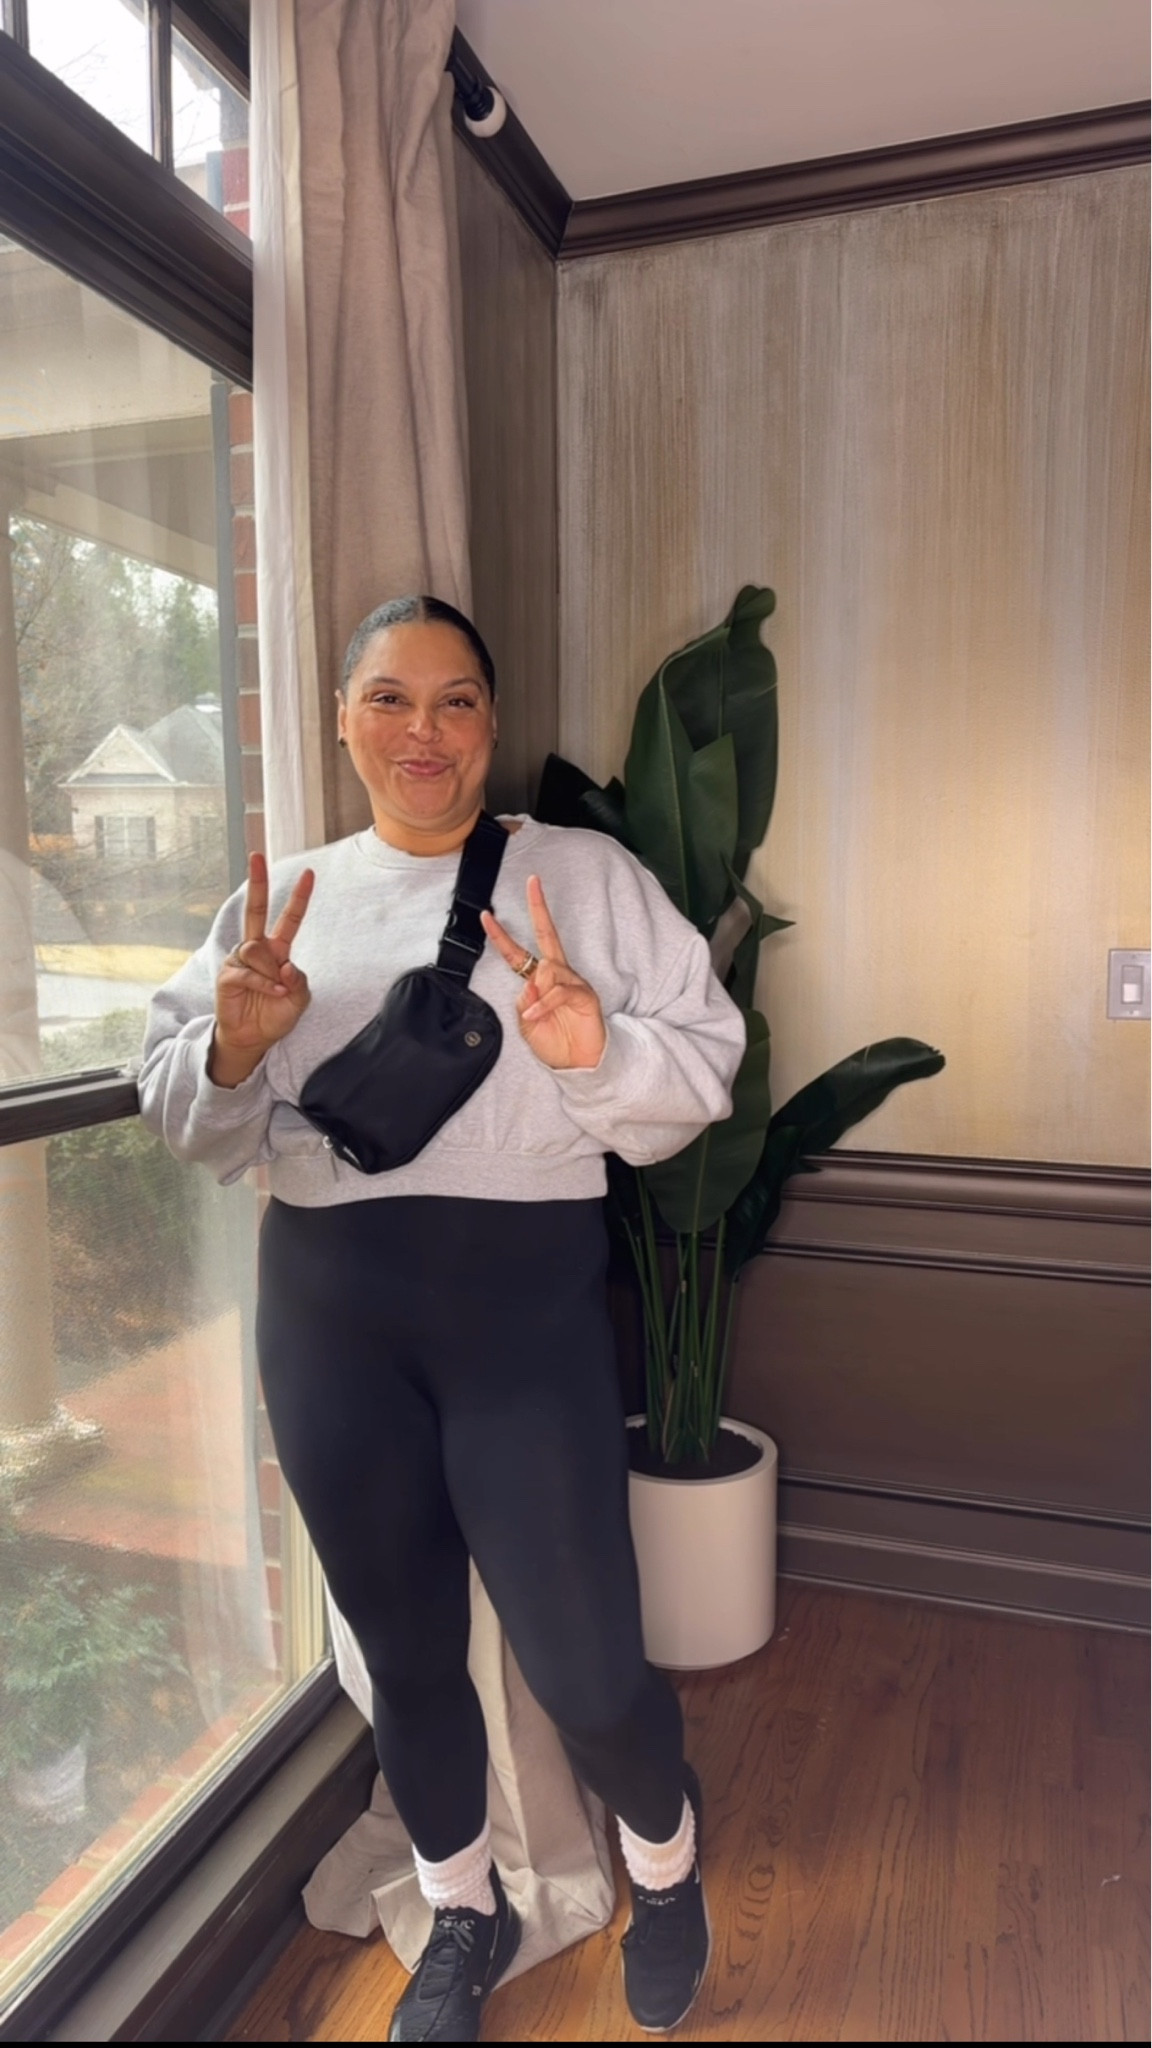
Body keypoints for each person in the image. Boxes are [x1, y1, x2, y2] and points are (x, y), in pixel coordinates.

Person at [138, 594, 745, 2042]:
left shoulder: (581, 878)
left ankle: (663, 1866)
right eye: (392, 700)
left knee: (588, 1663)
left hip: (521, 1314)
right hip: (331, 1317)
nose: (426, 731)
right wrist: (233, 1045)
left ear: (491, 720)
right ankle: (460, 1911)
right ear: (343, 720)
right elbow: (189, 1123)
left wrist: (595, 1047)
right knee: (403, 1655)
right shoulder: (278, 899)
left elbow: (706, 1071)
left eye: (458, 699)